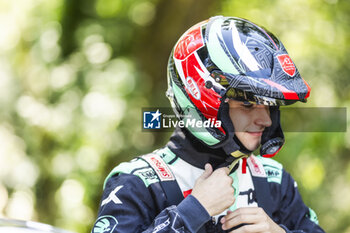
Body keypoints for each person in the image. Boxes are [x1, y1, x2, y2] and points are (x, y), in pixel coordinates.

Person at [91, 16, 325, 233]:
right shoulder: (137, 182)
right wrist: (193, 211)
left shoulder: (274, 180)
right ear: (204, 101)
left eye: (269, 107)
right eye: (247, 105)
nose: (265, 120)